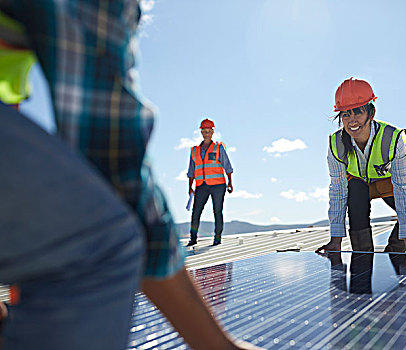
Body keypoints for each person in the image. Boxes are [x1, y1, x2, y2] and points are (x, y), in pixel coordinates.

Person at [0, 2, 258, 349]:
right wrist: (215, 344)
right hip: (199, 186)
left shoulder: (218, 148)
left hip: (215, 186)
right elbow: (115, 160)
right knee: (103, 243)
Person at [315, 77, 406, 255]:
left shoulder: (393, 138)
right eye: (346, 114)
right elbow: (338, 191)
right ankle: (363, 258)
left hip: (388, 181)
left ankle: (395, 253)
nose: (352, 120)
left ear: (371, 112)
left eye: (358, 112)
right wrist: (335, 240)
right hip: (357, 184)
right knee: (356, 202)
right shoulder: (336, 144)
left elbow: (402, 188)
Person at [187, 118, 234, 246]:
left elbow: (227, 166)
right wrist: (190, 187)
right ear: (201, 132)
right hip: (201, 185)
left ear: (213, 132)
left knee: (217, 211)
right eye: (204, 131)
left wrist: (230, 182)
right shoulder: (194, 150)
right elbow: (191, 171)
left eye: (209, 131)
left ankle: (217, 238)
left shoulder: (218, 147)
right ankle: (193, 239)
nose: (206, 133)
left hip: (218, 185)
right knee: (196, 211)